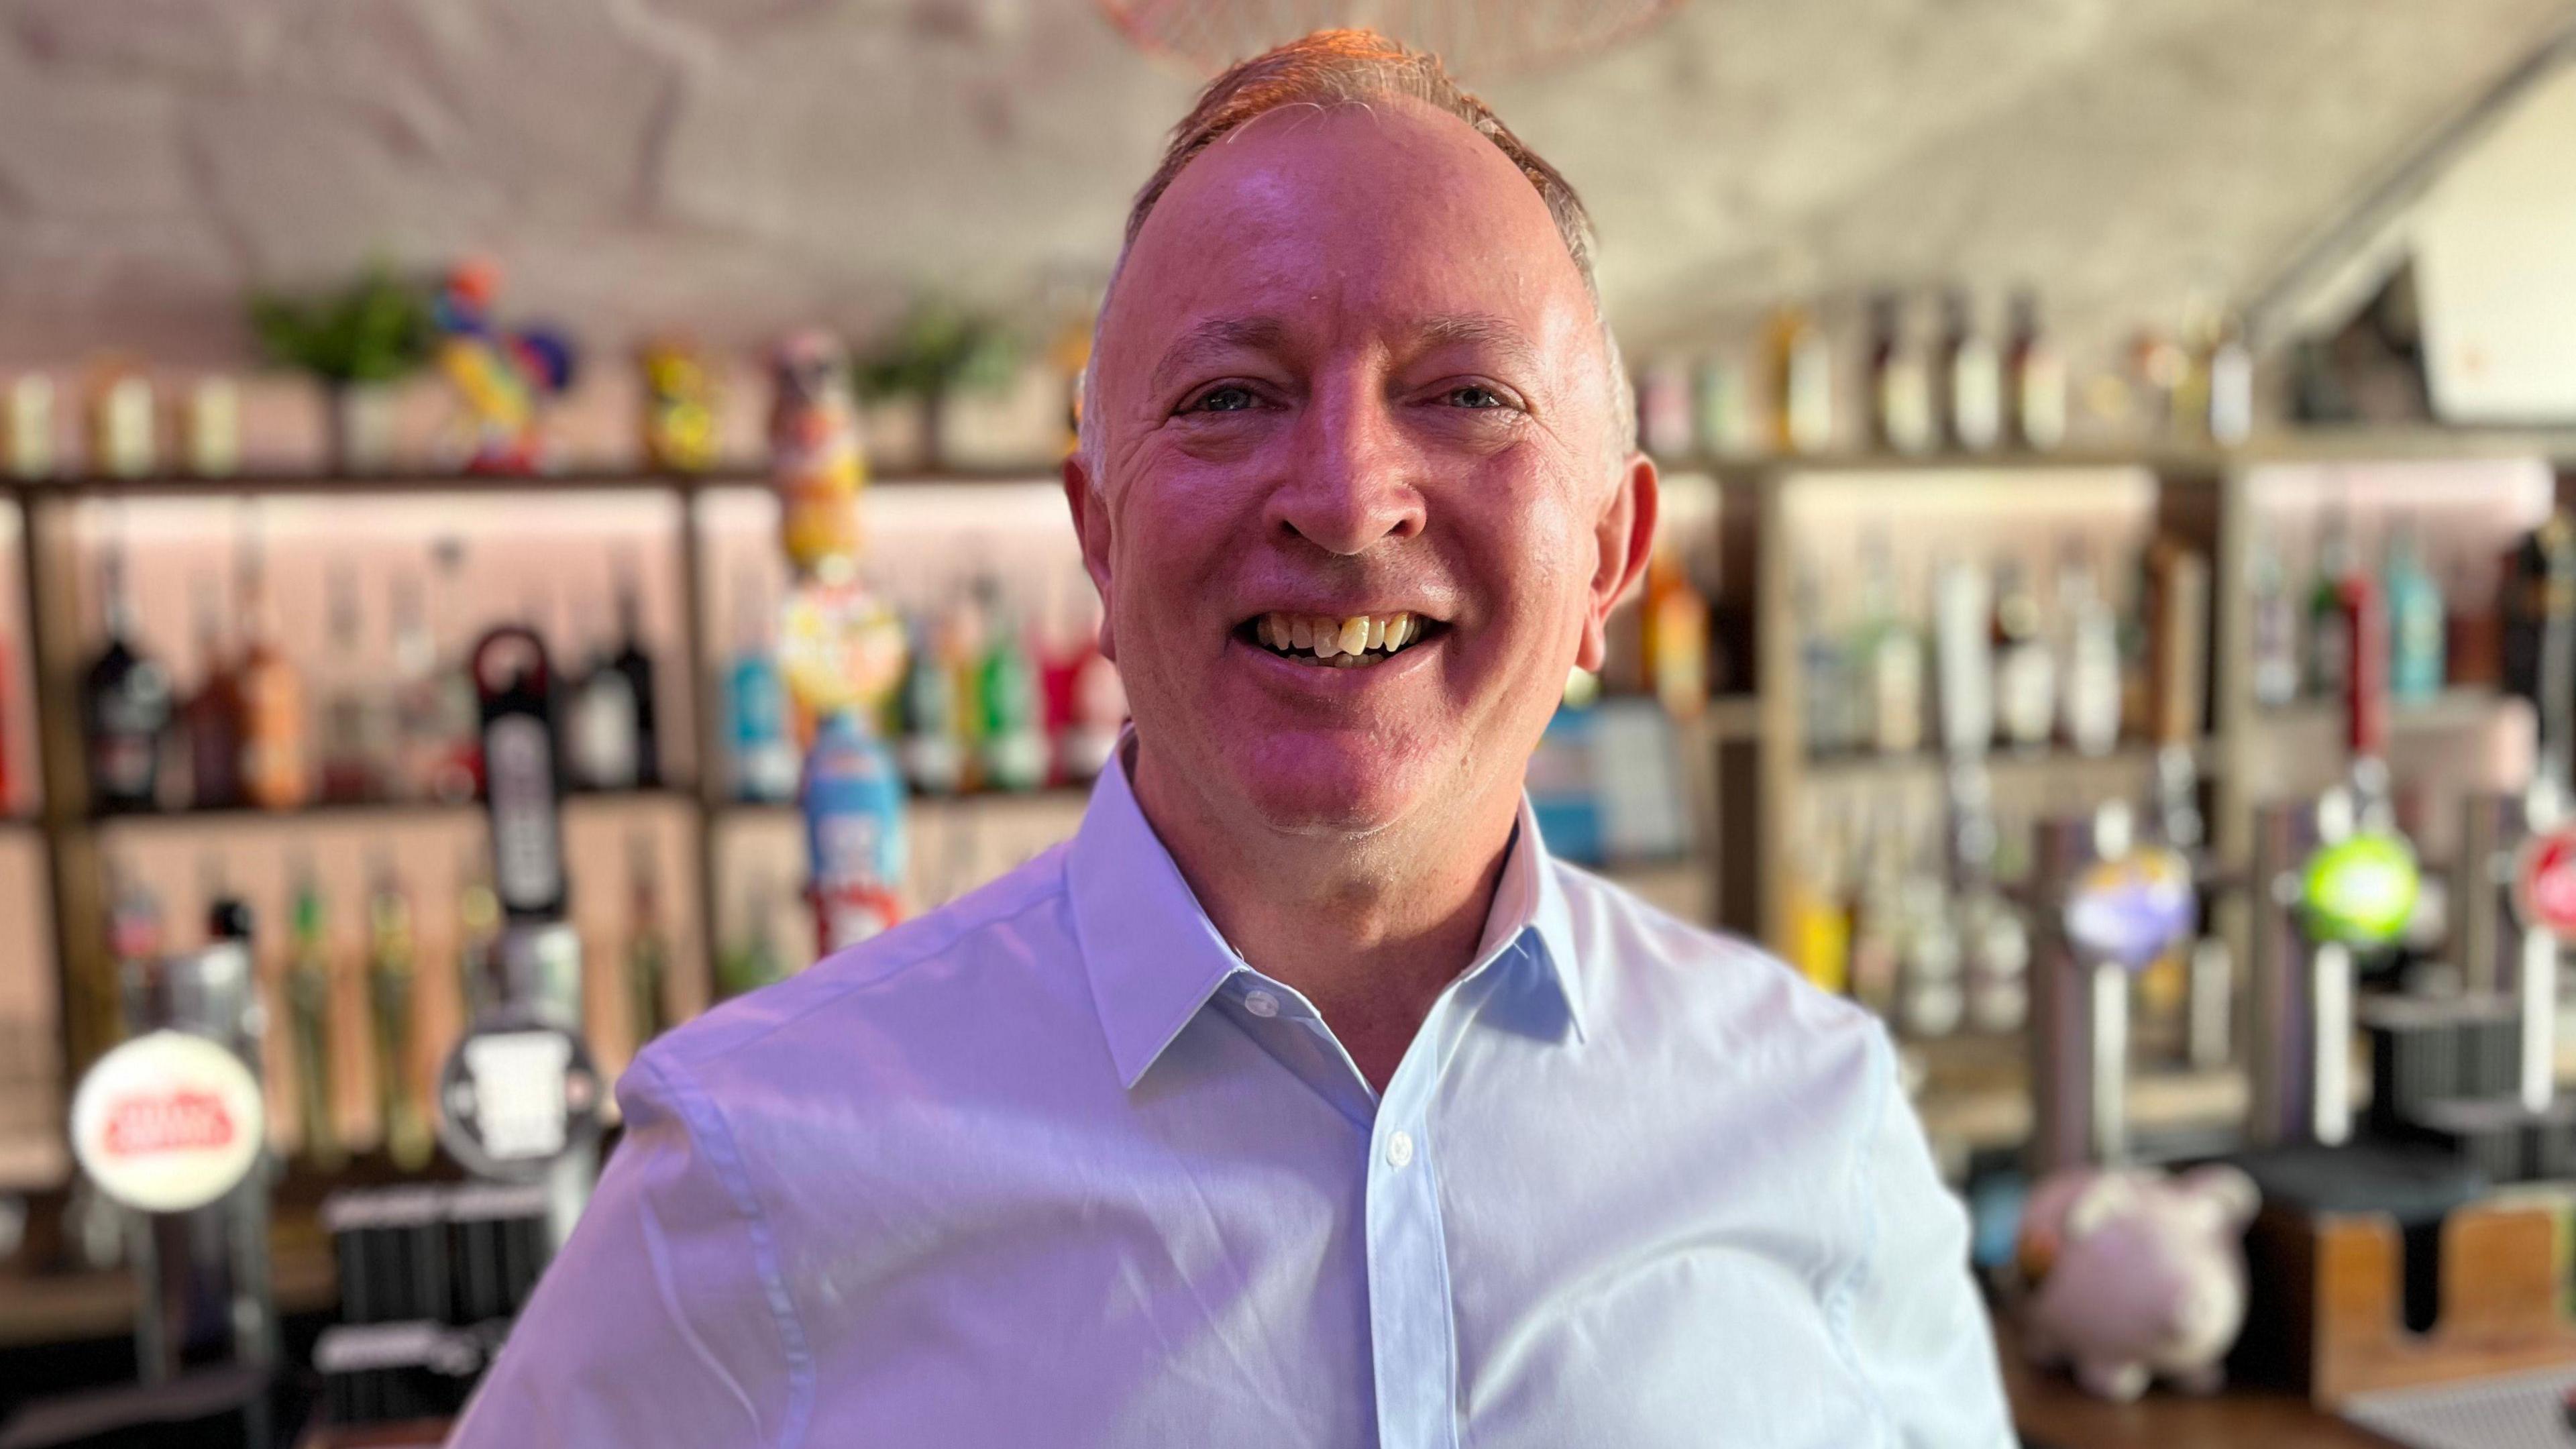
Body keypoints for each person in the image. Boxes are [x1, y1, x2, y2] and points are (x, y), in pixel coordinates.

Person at [451, 30, 2012, 1446]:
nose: (1344, 498)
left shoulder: (1820, 1121)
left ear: (1611, 555)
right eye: (1226, 397)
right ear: (1099, 541)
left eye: (1467, 394)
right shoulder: (752, 1175)